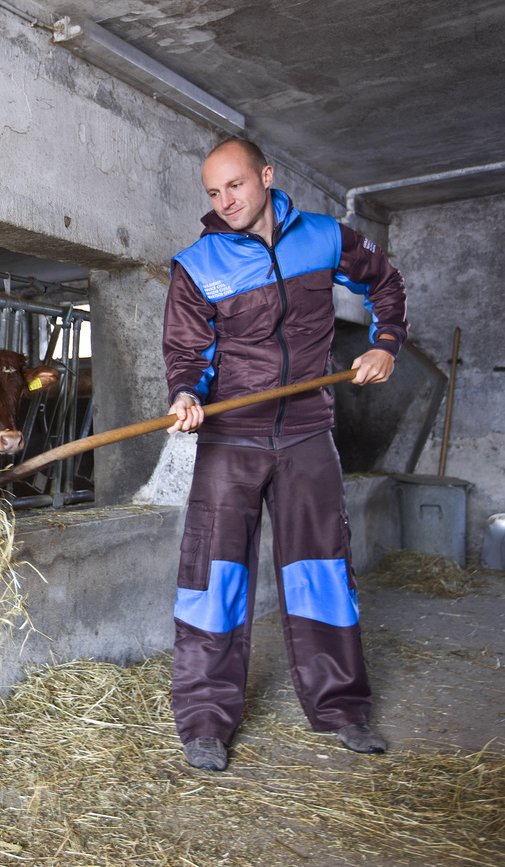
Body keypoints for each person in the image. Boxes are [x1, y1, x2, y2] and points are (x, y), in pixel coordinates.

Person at [162, 138, 408, 772]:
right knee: (212, 581)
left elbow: (384, 281)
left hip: (307, 432)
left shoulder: (325, 237)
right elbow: (187, 353)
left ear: (266, 176)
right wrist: (187, 393)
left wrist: (385, 343)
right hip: (231, 436)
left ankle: (341, 709)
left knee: (320, 574)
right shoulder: (197, 263)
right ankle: (205, 721)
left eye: (236, 186)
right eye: (214, 193)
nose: (226, 202)